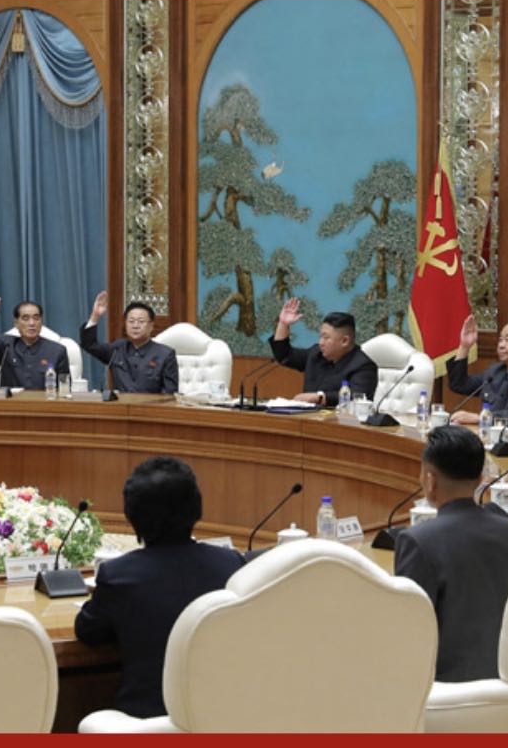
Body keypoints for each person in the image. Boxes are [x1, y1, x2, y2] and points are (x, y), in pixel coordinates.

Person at [75, 456, 245, 717]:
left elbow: (88, 631)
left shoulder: (119, 576)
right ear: (197, 508)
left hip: (147, 721)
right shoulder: (231, 564)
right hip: (222, 717)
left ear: (132, 515)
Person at [394, 425, 508, 682]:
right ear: (481, 478)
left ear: (430, 481)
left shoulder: (418, 541)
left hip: (444, 690)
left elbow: (408, 631)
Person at [268, 298, 377, 407]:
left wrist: (320, 397)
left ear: (345, 341)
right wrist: (283, 324)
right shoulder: (316, 354)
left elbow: (358, 397)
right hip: (308, 416)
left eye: (326, 337)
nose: (321, 342)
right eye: (320, 337)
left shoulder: (363, 365)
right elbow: (284, 355)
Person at [80, 291, 178, 394]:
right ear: (125, 324)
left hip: (150, 404)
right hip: (121, 403)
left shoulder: (165, 354)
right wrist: (95, 315)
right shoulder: (117, 348)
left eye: (141, 321)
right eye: (131, 321)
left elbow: (169, 393)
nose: (135, 326)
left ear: (151, 326)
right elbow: (89, 344)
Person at [0, 287, 69, 389]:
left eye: (36, 318)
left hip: (46, 399)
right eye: (25, 318)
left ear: (41, 322)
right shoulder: (6, 346)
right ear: (16, 323)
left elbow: (65, 388)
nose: (32, 323)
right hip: (12, 399)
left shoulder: (57, 351)